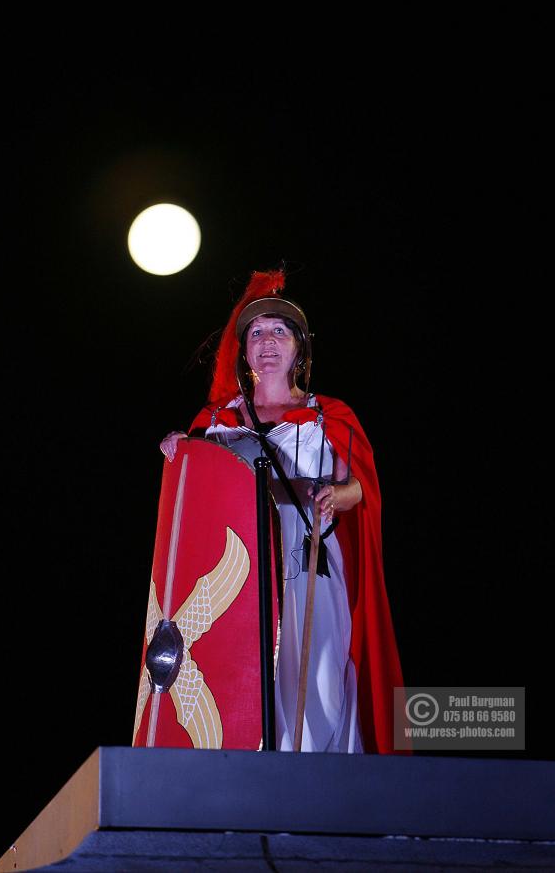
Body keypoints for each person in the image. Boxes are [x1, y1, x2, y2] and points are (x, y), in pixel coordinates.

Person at [160, 269, 406, 753]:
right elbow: (192, 503)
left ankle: (316, 786)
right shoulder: (213, 424)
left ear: (299, 349)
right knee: (242, 677)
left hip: (310, 562)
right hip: (238, 576)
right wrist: (179, 452)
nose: (267, 341)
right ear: (244, 352)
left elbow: (362, 487)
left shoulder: (330, 416)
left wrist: (340, 494)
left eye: (279, 331)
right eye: (256, 333)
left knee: (317, 678)